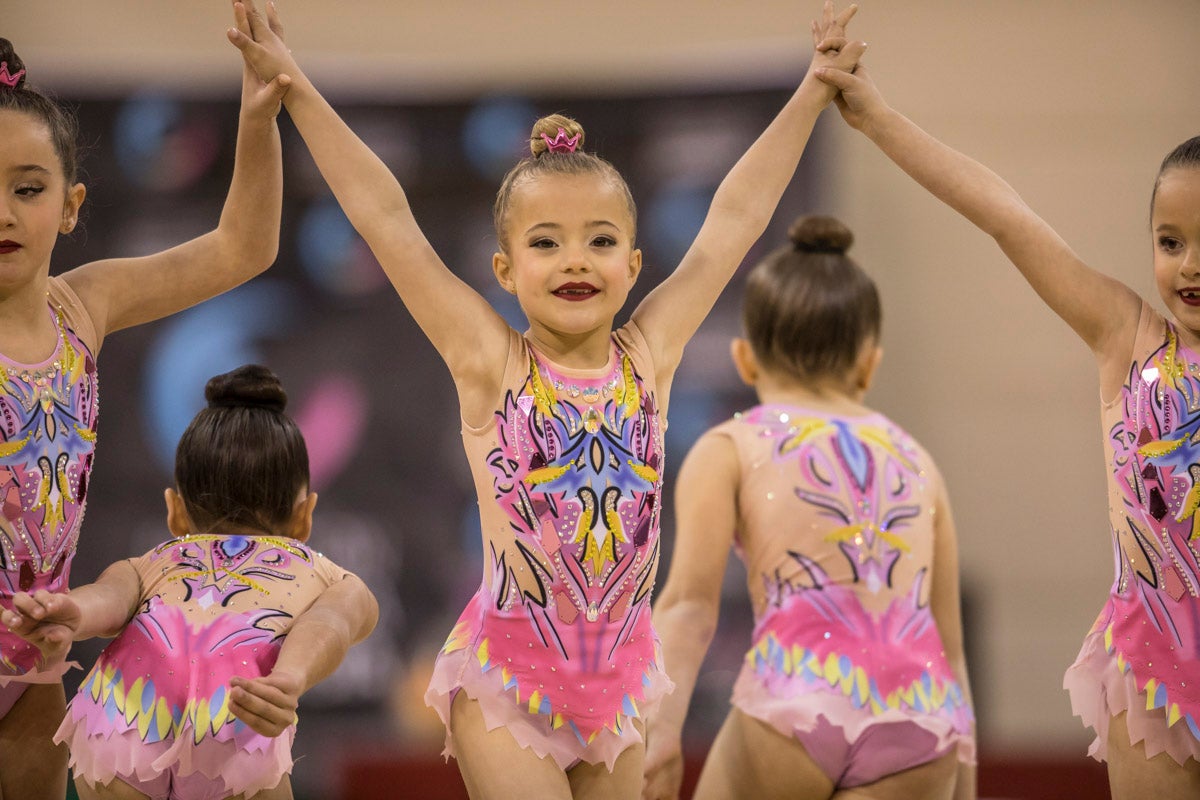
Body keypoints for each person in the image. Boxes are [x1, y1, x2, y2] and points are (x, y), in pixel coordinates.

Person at [225, 1, 865, 797]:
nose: (576, 260)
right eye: (545, 242)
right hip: (507, 679)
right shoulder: (490, 362)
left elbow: (734, 219)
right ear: (503, 269)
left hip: (620, 689)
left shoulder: (649, 356)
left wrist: (811, 91)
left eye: (600, 240)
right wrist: (295, 87)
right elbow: (387, 220)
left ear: (634, 264)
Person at [813, 47, 1200, 800]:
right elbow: (1005, 217)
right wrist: (883, 122)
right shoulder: (1129, 338)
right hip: (1155, 665)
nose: (1190, 265)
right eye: (1170, 241)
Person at [0, 16, 289, 798]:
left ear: (69, 204)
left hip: (31, 665)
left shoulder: (82, 307)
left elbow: (244, 246)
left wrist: (257, 120)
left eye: (27, 189)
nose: (4, 212)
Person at [642, 216, 975, 800]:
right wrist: (964, 777)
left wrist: (661, 733)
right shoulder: (919, 461)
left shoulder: (730, 447)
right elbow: (950, 642)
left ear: (745, 359)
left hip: (797, 697)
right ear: (869, 363)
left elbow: (691, 608)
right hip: (922, 716)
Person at [0, 364, 379, 800]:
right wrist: (289, 678)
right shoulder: (323, 573)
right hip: (236, 716)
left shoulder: (152, 562)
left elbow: (109, 597)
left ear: (175, 511)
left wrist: (73, 613)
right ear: (304, 515)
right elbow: (331, 622)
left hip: (126, 714)